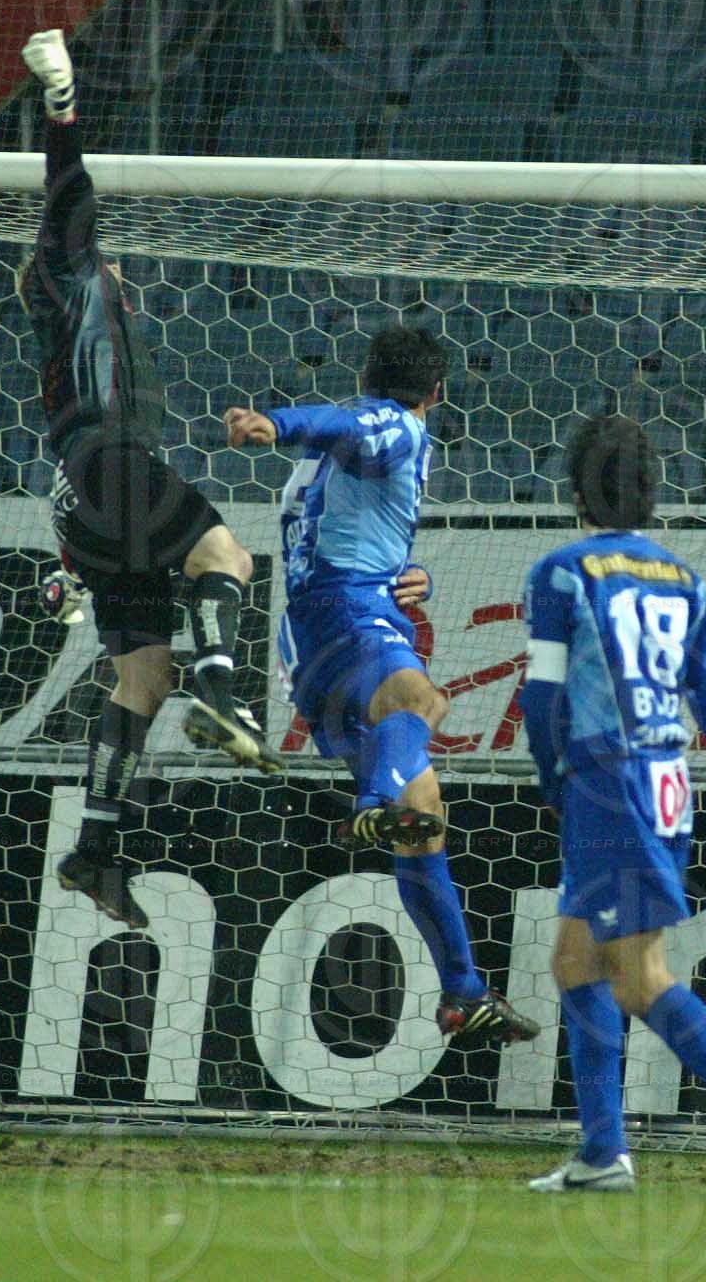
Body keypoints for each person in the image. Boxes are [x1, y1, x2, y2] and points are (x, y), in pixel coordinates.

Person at [520, 413, 706, 1194]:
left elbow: (545, 694)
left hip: (608, 785)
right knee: (575, 960)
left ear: (575, 488)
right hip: (664, 785)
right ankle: (602, 1152)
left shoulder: (562, 571)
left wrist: (555, 779)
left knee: (639, 975)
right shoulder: (683, 579)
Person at [20, 29, 280, 933]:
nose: (117, 264)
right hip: (110, 465)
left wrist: (64, 566)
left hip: (86, 492)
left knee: (140, 679)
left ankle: (94, 846)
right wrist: (61, 103)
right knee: (227, 554)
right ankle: (226, 689)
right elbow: (67, 191)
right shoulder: (73, 278)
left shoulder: (100, 324)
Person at [223, 325, 539, 1047]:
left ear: (366, 372)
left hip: (310, 641)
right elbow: (347, 422)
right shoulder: (393, 424)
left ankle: (463, 993)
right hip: (349, 617)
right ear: (438, 393)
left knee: (423, 808)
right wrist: (275, 424)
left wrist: (408, 575)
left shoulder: (328, 467)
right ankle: (368, 805)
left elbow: (348, 491)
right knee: (424, 702)